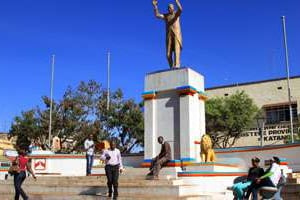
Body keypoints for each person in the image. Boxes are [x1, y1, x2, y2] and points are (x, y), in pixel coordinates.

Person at [152, 0, 183, 68]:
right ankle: (171, 67)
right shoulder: (166, 16)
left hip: (176, 35)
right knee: (168, 54)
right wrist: (155, 6)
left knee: (176, 51)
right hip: (169, 36)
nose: (169, 8)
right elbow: (157, 15)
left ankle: (177, 65)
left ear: (173, 8)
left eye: (171, 7)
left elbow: (180, 9)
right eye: (168, 7)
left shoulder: (176, 14)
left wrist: (177, 2)